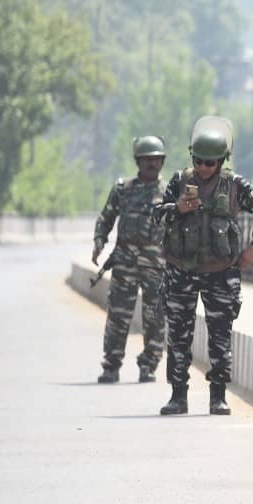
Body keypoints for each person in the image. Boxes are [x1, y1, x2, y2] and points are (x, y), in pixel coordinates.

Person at [153, 119, 253, 416]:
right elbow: (156, 214)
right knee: (178, 335)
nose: (204, 168)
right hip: (180, 269)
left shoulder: (235, 186)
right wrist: (177, 209)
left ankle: (218, 395)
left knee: (220, 335)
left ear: (221, 161)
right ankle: (178, 395)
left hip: (221, 271)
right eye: (199, 161)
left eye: (210, 163)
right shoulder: (180, 182)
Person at [92, 135, 168, 384]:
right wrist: (99, 241)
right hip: (125, 261)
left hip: (155, 263)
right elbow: (106, 218)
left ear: (162, 162)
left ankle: (149, 365)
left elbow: (180, 227)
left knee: (155, 316)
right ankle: (111, 366)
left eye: (156, 159)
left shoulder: (169, 193)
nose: (151, 164)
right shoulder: (123, 189)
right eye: (147, 160)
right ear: (138, 161)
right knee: (118, 315)